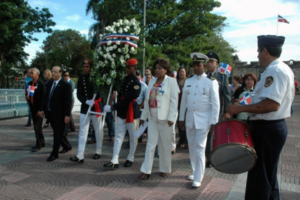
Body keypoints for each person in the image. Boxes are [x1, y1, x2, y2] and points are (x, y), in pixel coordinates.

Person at [225, 35, 294, 200]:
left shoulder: (275, 70)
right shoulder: (279, 69)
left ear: (265, 50)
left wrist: (239, 108)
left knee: (260, 179)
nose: (257, 55)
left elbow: (271, 105)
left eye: (258, 51)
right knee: (267, 175)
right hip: (269, 128)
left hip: (268, 128)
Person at [179, 52, 220, 187]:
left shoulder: (211, 82)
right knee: (191, 147)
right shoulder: (189, 81)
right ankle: (195, 170)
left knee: (200, 148)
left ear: (204, 65)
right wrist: (181, 118)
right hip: (190, 118)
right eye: (194, 65)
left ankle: (198, 177)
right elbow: (184, 101)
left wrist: (214, 121)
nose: (196, 67)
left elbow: (216, 103)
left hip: (204, 119)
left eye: (198, 65)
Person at [138, 58, 179, 179]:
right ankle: (146, 170)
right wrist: (143, 116)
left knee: (165, 144)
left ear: (166, 70)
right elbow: (147, 101)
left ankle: (165, 168)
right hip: (152, 117)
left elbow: (174, 102)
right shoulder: (151, 82)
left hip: (165, 118)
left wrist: (172, 117)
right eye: (156, 68)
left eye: (160, 68)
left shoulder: (171, 81)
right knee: (151, 143)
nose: (157, 70)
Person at [103, 58, 141, 169]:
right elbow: (116, 90)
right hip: (122, 112)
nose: (127, 70)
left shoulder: (136, 83)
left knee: (133, 137)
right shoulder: (123, 80)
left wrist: (114, 107)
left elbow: (127, 99)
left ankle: (130, 157)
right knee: (118, 135)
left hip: (131, 112)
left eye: (129, 68)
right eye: (126, 68)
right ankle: (114, 160)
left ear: (135, 68)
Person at [70, 59, 103, 163]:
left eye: (87, 67)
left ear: (91, 68)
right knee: (83, 130)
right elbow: (79, 94)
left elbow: (101, 91)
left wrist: (96, 99)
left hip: (96, 106)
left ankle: (98, 150)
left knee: (98, 130)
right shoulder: (81, 78)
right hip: (85, 106)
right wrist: (86, 101)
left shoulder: (96, 78)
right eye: (84, 67)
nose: (85, 69)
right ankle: (80, 154)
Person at [205, 51, 230, 168]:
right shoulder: (203, 76)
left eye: (212, 62)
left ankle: (210, 157)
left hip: (216, 110)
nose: (209, 64)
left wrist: (227, 111)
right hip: (203, 110)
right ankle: (206, 156)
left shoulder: (222, 77)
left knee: (212, 134)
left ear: (217, 64)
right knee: (205, 134)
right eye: (208, 62)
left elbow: (226, 95)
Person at [44, 66, 72, 162]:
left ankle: (54, 153)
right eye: (52, 72)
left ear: (60, 73)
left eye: (55, 72)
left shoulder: (65, 85)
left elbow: (68, 102)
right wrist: (44, 110)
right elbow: (47, 98)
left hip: (60, 115)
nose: (53, 74)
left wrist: (67, 115)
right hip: (50, 113)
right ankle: (67, 146)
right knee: (59, 133)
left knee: (56, 134)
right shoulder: (49, 83)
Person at [27, 68, 46, 152]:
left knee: (37, 127)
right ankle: (42, 142)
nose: (30, 74)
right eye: (30, 73)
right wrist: (27, 97)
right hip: (33, 108)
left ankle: (38, 145)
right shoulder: (30, 83)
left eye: (32, 73)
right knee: (37, 127)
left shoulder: (41, 84)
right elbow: (29, 95)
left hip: (38, 109)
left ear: (37, 74)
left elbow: (43, 98)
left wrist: (40, 110)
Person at [176, 67, 188, 149]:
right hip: (177, 105)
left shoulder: (188, 82)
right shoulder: (175, 82)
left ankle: (186, 141)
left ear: (186, 73)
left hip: (186, 105)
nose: (181, 73)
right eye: (180, 72)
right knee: (179, 123)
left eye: (183, 72)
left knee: (186, 123)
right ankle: (181, 140)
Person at [136, 69, 148, 143]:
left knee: (140, 123)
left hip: (140, 106)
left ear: (140, 76)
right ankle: (133, 138)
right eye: (135, 75)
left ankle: (139, 137)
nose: (136, 76)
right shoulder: (132, 84)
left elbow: (146, 97)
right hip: (132, 106)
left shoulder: (144, 86)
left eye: (138, 75)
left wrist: (141, 106)